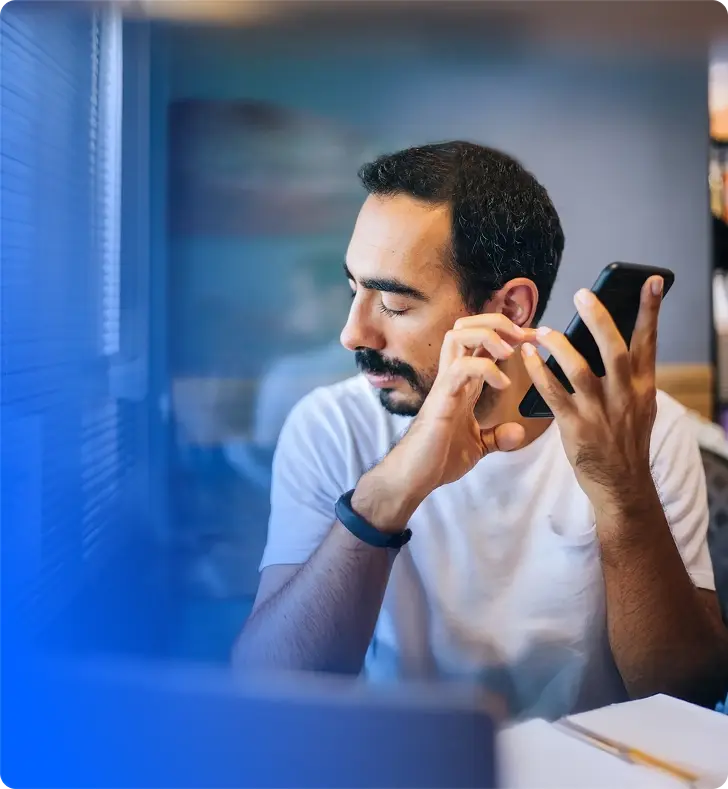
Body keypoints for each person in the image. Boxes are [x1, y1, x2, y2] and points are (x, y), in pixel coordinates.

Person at [233, 141, 728, 718]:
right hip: (405, 761)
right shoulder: (330, 425)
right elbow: (268, 688)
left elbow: (688, 693)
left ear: (511, 310)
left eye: (392, 303)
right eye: (353, 290)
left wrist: (624, 493)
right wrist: (385, 497)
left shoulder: (648, 431)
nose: (353, 333)